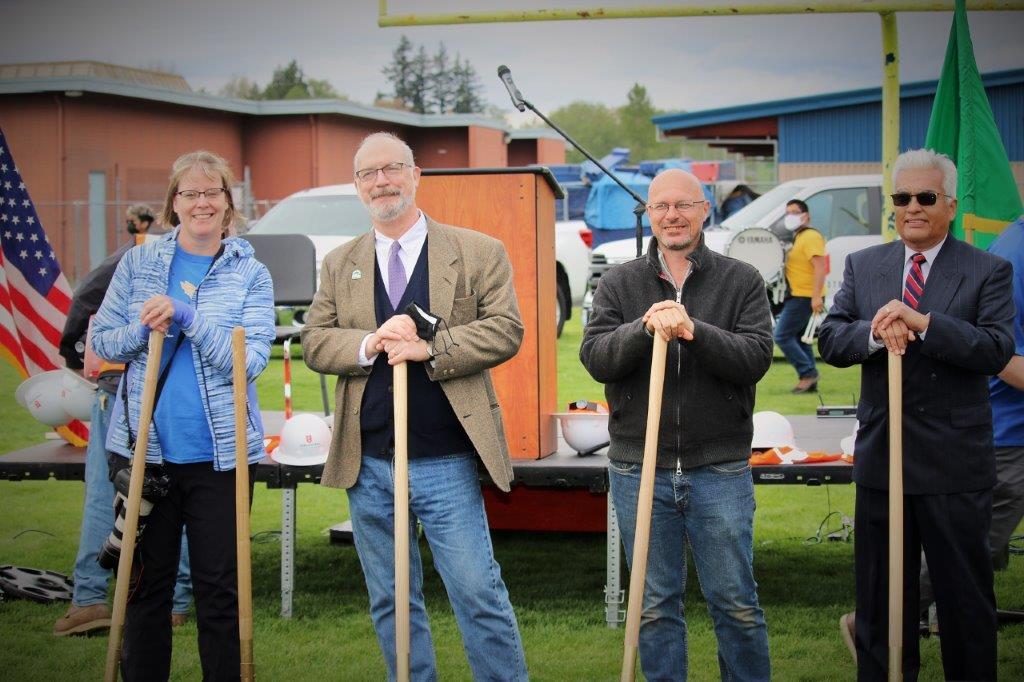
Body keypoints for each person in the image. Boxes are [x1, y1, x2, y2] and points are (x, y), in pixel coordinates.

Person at [301, 132, 529, 681]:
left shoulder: (477, 252)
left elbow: (506, 330)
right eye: (369, 174)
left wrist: (431, 347)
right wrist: (368, 342)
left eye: (392, 168)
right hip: (371, 463)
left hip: (445, 459)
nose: (382, 182)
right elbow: (314, 340)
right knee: (392, 600)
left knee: (477, 592)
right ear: (357, 188)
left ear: (416, 174)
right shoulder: (339, 263)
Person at [818, 149, 1014, 681]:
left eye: (925, 198)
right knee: (882, 603)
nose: (912, 208)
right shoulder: (866, 264)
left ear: (949, 204)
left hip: (954, 466)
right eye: (901, 199)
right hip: (883, 462)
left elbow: (996, 348)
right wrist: (875, 333)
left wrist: (925, 323)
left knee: (964, 603)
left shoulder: (987, 269)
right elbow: (832, 338)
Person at [580, 168, 773, 681]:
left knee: (735, 602)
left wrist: (694, 330)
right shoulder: (621, 281)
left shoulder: (740, 280)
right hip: (638, 467)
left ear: (704, 209)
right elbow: (596, 357)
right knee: (654, 604)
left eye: (684, 205)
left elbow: (755, 358)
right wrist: (645, 328)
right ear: (648, 213)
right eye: (661, 206)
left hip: (720, 468)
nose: (672, 216)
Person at [91, 150, 274, 681]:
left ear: (227, 204)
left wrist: (189, 317)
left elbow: (252, 361)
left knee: (221, 589)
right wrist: (143, 330)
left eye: (211, 192)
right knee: (145, 586)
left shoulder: (250, 273)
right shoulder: (139, 263)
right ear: (174, 203)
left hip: (222, 457)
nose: (201, 202)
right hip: (146, 453)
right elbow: (103, 342)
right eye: (189, 193)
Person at [54, 204, 193, 637]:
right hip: (143, 381)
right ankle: (173, 598)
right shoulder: (173, 256)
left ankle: (92, 599)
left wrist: (73, 355)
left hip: (131, 383)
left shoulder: (134, 252)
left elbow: (83, 300)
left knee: (107, 486)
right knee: (174, 487)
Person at [774, 199, 826, 393]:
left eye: (795, 212)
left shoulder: (811, 236)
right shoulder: (799, 237)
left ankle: (808, 373)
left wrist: (816, 297)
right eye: (788, 212)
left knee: (781, 335)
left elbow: (820, 267)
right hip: (799, 295)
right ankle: (810, 380)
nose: (791, 216)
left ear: (806, 215)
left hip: (805, 296)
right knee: (800, 338)